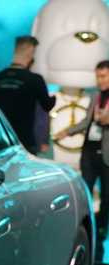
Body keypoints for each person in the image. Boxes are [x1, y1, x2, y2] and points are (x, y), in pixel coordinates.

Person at [56, 60, 109, 235]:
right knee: (85, 189)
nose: (100, 80)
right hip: (89, 151)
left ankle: (101, 226)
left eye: (104, 76)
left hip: (106, 154)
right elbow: (87, 122)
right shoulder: (95, 96)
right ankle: (84, 223)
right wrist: (67, 132)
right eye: (98, 77)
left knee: (106, 194)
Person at [0, 36, 56, 154]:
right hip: (24, 142)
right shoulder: (35, 79)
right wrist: (54, 98)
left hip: (1, 140)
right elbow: (47, 106)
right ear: (31, 52)